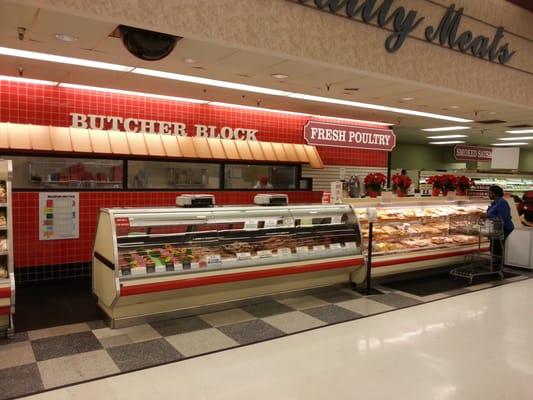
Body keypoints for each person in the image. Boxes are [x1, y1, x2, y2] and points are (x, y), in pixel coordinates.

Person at [486, 185, 514, 263]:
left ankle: (497, 266)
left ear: (494, 193)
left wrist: (487, 216)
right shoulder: (495, 202)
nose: (488, 194)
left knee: (497, 247)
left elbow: (502, 218)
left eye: (489, 193)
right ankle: (495, 264)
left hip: (504, 227)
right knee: (494, 246)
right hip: (497, 227)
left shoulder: (502, 203)